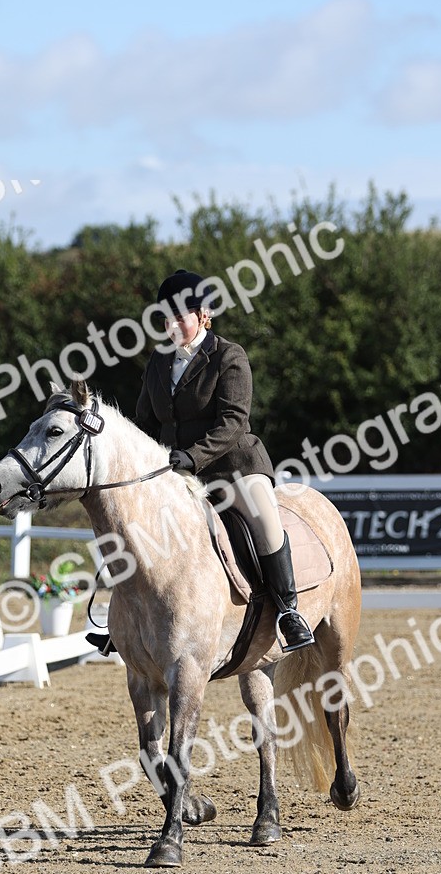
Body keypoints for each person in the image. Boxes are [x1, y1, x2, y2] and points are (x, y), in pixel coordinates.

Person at [132, 268, 315, 653]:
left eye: (181, 316)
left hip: (233, 466)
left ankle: (288, 611)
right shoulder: (158, 361)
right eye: (167, 317)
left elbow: (233, 421)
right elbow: (145, 423)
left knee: (264, 518)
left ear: (203, 315)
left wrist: (192, 457)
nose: (173, 324)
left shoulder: (228, 355)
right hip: (177, 471)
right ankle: (131, 621)